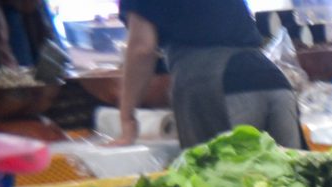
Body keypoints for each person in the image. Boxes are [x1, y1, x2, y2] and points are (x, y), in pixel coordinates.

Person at [112, 0, 302, 149]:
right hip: (272, 78)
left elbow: (142, 49)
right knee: (295, 186)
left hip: (215, 84)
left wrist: (127, 117)